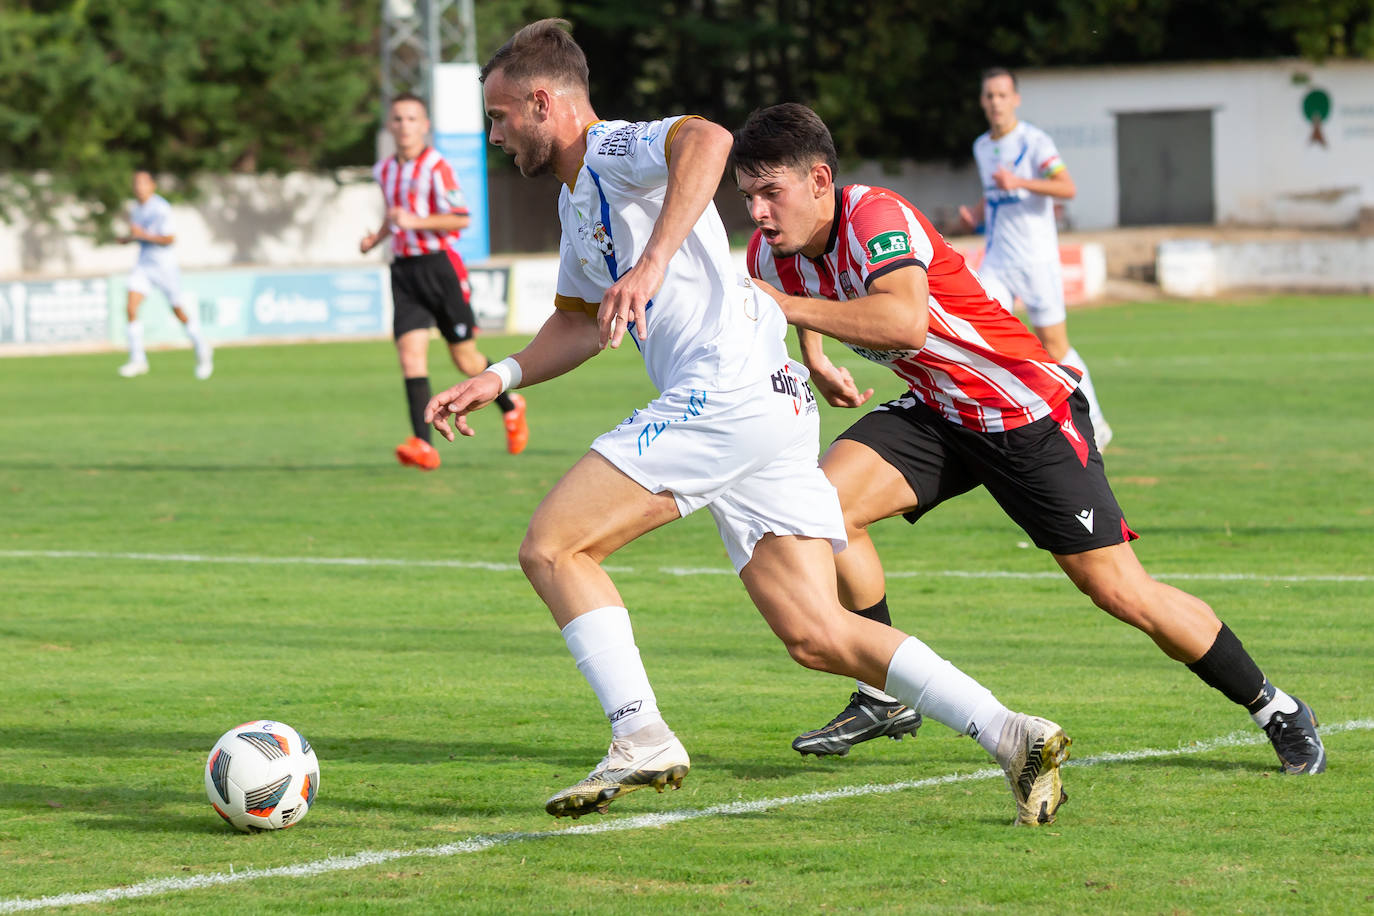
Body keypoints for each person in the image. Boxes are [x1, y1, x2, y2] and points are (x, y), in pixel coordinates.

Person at [426, 19, 1072, 827]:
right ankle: (1013, 732)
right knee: (817, 633)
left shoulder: (611, 148)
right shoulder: (576, 201)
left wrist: (655, 260)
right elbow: (583, 321)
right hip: (768, 400)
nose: (495, 135)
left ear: (543, 102)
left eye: (498, 117)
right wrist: (500, 374)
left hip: (723, 391)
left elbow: (708, 137)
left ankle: (640, 736)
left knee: (553, 546)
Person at [734, 102, 1326, 776]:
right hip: (940, 412)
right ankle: (885, 693)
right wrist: (815, 355)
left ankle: (1276, 706)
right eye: (748, 195)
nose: (757, 212)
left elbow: (903, 323)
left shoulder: (876, 216)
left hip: (1027, 412)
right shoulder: (771, 250)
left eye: (770, 192)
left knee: (1119, 591)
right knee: (822, 504)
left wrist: (789, 313)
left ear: (818, 179)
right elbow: (794, 286)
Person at [361, 92, 529, 469]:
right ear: (390, 126)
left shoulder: (437, 167)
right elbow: (396, 215)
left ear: (425, 126)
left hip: (440, 267)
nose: (404, 126)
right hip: (404, 271)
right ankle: (423, 446)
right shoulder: (384, 169)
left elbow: (460, 218)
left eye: (411, 119)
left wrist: (413, 223)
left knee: (464, 357)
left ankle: (511, 403)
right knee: (410, 356)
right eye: (398, 119)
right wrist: (376, 238)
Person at [956, 68, 1111, 450]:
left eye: (1002, 95)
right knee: (986, 338)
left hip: (1037, 260)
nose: (995, 102)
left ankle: (1095, 422)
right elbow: (993, 189)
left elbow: (1066, 187)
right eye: (989, 95)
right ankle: (1009, 422)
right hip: (997, 260)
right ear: (982, 101)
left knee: (1055, 345)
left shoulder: (1035, 142)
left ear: (1016, 99)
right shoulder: (981, 146)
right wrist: (976, 214)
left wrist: (1021, 182)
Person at [117, 170, 213, 380]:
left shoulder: (161, 208)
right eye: (136, 184)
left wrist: (143, 235)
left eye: (143, 183)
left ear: (152, 186)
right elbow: (140, 236)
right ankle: (138, 359)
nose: (139, 188)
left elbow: (169, 239)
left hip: (164, 266)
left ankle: (202, 349)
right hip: (143, 264)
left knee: (178, 310)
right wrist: (128, 239)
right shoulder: (136, 208)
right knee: (131, 307)